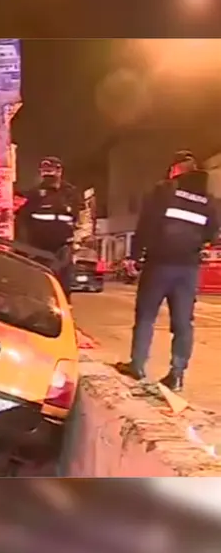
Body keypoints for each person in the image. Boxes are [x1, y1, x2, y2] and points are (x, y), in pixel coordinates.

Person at [115, 151, 220, 391]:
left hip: (159, 264)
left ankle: (138, 365)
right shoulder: (209, 200)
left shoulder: (164, 190)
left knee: (146, 316)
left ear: (176, 169)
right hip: (188, 268)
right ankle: (177, 374)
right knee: (183, 322)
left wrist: (134, 256)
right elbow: (213, 233)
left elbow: (146, 223)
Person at [15, 156, 80, 298]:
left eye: (52, 171)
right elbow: (21, 220)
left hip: (63, 248)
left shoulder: (70, 193)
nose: (49, 175)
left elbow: (76, 217)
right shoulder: (33, 194)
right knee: (41, 286)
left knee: (63, 287)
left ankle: (64, 312)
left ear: (59, 171)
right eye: (45, 171)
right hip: (39, 249)